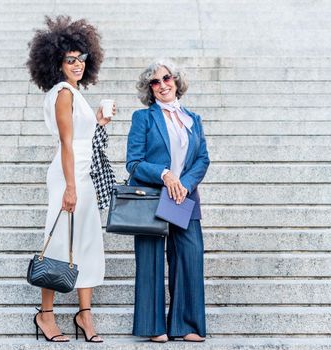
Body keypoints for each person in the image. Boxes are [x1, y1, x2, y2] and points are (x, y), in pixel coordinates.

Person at [26, 15, 115, 343]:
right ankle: (45, 315)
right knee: (60, 243)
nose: (78, 64)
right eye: (70, 59)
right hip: (69, 175)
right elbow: (66, 142)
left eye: (82, 58)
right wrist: (71, 187)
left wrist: (100, 121)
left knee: (88, 242)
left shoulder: (75, 93)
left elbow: (83, 138)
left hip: (83, 172)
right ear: (57, 62)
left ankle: (84, 314)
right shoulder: (63, 93)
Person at [126, 60, 210, 342]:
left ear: (176, 81)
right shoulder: (143, 118)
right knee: (150, 259)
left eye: (167, 78)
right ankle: (154, 327)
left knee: (190, 256)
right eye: (155, 82)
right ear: (150, 89)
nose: (163, 85)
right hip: (152, 196)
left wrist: (184, 184)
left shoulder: (193, 119)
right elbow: (134, 163)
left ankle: (185, 325)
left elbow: (202, 158)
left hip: (183, 197)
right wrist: (165, 175)